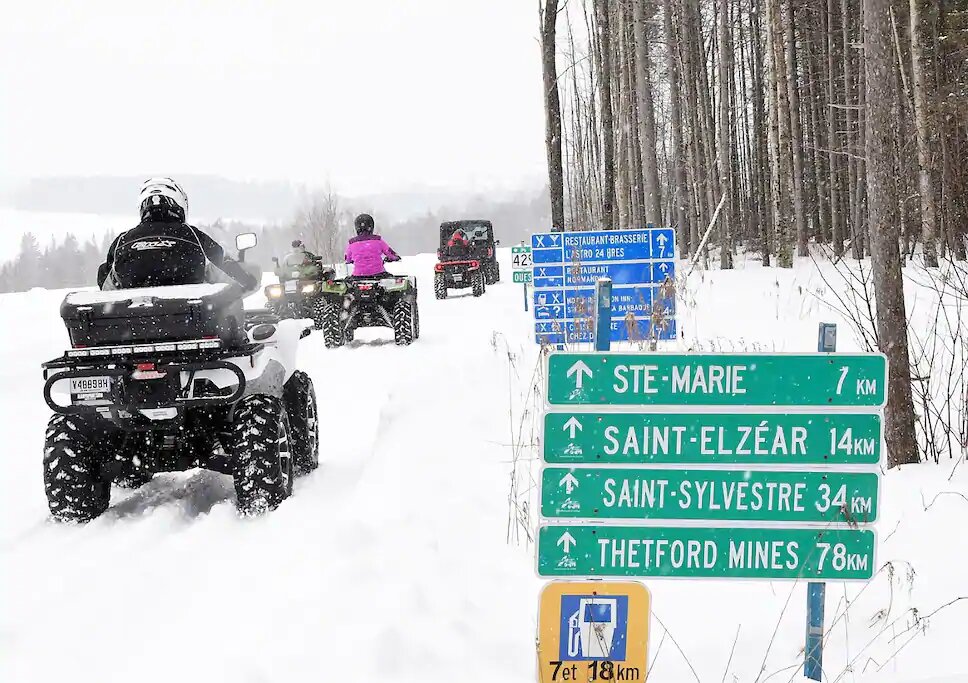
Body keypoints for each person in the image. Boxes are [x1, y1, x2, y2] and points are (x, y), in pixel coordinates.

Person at [97, 177, 258, 291]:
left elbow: (106, 283)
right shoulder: (193, 235)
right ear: (179, 203)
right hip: (193, 320)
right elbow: (223, 263)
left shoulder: (122, 240)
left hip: (130, 325)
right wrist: (247, 280)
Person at [344, 213, 400, 278]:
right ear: (371, 226)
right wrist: (395, 257)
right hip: (378, 274)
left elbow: (347, 259)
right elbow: (389, 252)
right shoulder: (378, 240)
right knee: (391, 282)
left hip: (358, 276)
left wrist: (351, 260)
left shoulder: (351, 243)